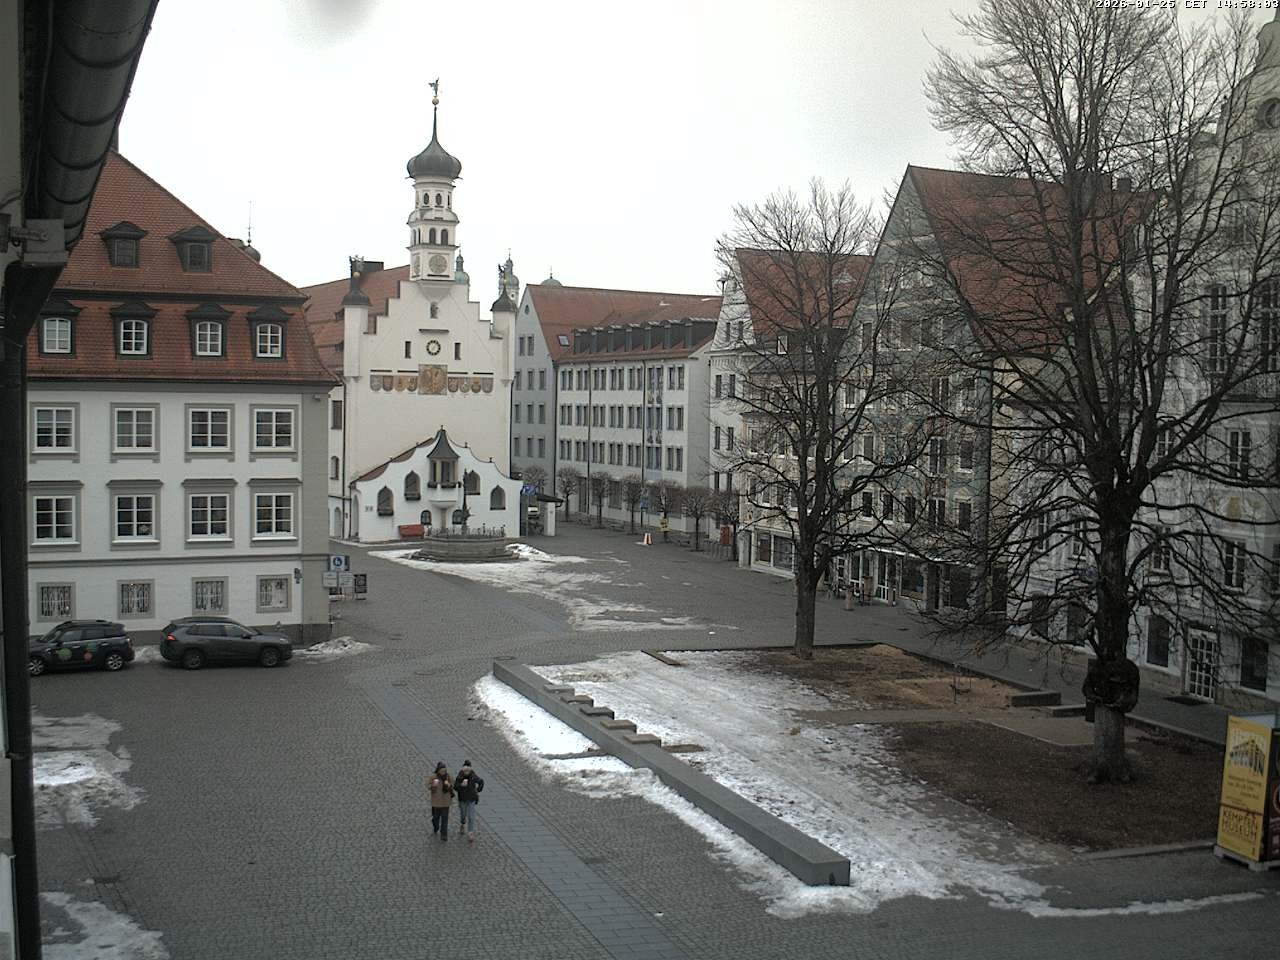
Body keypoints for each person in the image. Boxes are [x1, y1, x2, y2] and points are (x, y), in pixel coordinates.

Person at [454, 760, 485, 843]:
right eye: (465, 770)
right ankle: (462, 823)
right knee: (463, 814)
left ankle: (470, 832)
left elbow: (481, 782)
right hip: (463, 799)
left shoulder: (473, 776)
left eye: (468, 770)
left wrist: (478, 790)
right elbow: (455, 787)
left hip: (471, 799)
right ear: (463, 770)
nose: (467, 771)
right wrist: (461, 785)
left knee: (471, 816)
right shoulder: (460, 776)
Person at [428, 761, 453, 842]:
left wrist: (449, 785)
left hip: (446, 802)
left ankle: (444, 835)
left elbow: (453, 784)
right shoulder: (434, 777)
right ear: (438, 770)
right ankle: (435, 826)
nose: (443, 772)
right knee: (436, 817)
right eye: (442, 771)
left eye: (445, 771)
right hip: (436, 802)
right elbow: (428, 785)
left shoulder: (448, 777)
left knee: (445, 819)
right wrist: (433, 786)